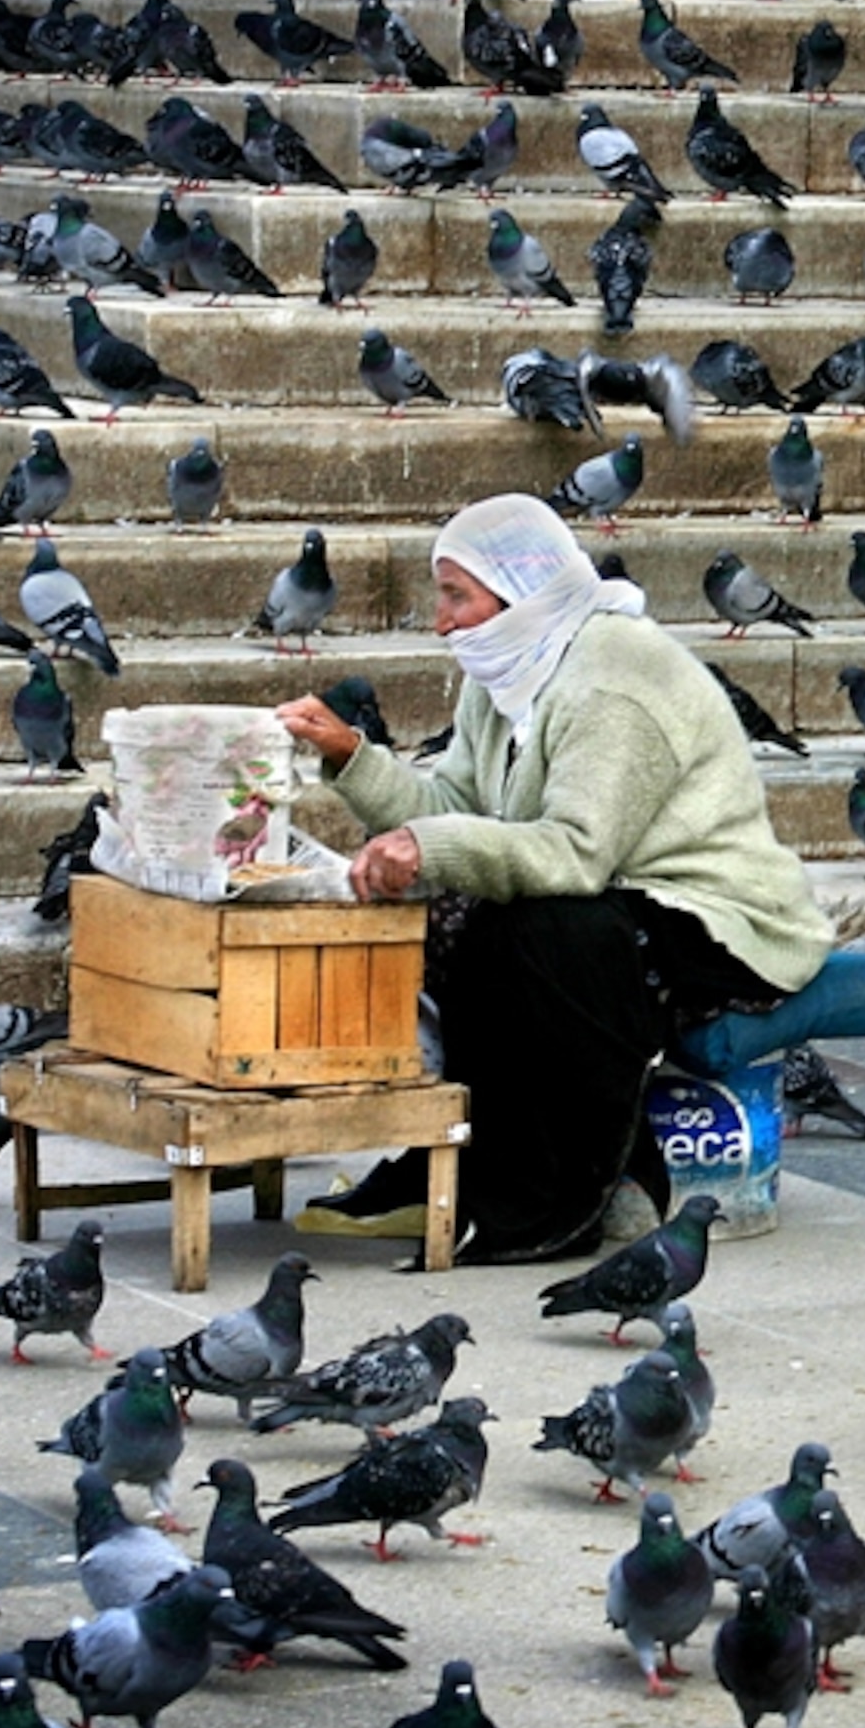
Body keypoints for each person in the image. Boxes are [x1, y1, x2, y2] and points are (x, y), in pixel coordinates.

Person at [276, 496, 835, 1264]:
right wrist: (351, 757)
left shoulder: (613, 676)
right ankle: (463, 1155)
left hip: (717, 917)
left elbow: (576, 854)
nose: (442, 622)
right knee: (455, 913)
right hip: (614, 892)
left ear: (519, 590)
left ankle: (552, 1189)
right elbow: (454, 808)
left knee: (531, 931)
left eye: (456, 597)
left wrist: (428, 847)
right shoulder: (505, 669)